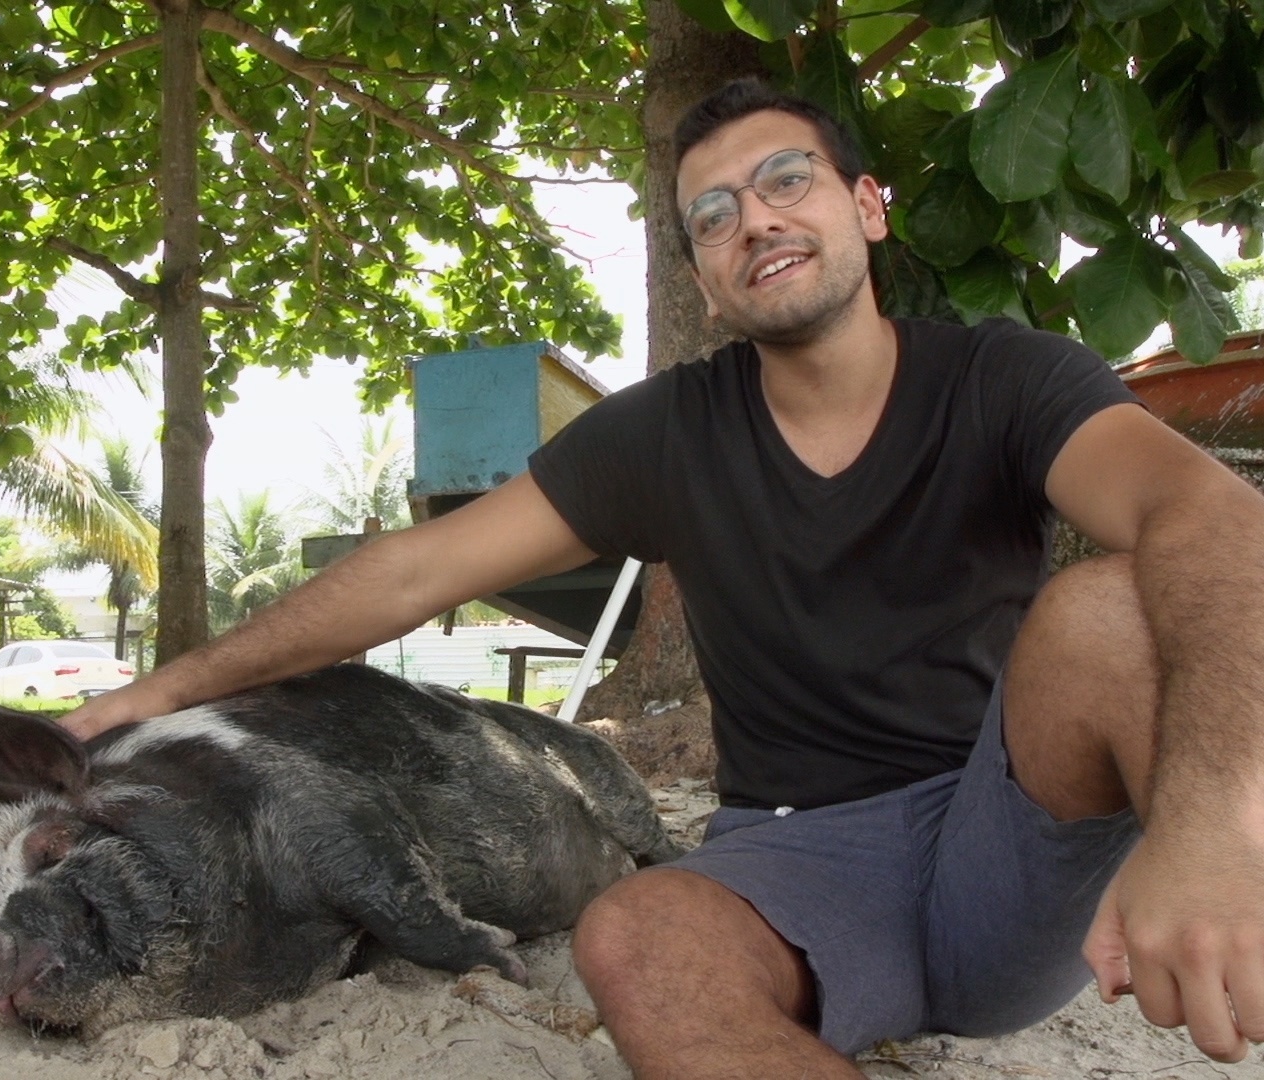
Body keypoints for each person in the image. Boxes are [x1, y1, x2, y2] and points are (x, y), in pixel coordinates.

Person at [63, 79, 1264, 1076]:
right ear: (704, 276)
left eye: (787, 179)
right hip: (797, 863)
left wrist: (1208, 827)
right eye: (714, 214)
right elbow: (413, 571)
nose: (757, 220)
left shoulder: (1008, 378)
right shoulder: (668, 433)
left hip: (1006, 839)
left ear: (867, 207)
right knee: (632, 934)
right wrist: (164, 692)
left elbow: (1208, 516)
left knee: (1109, 609)